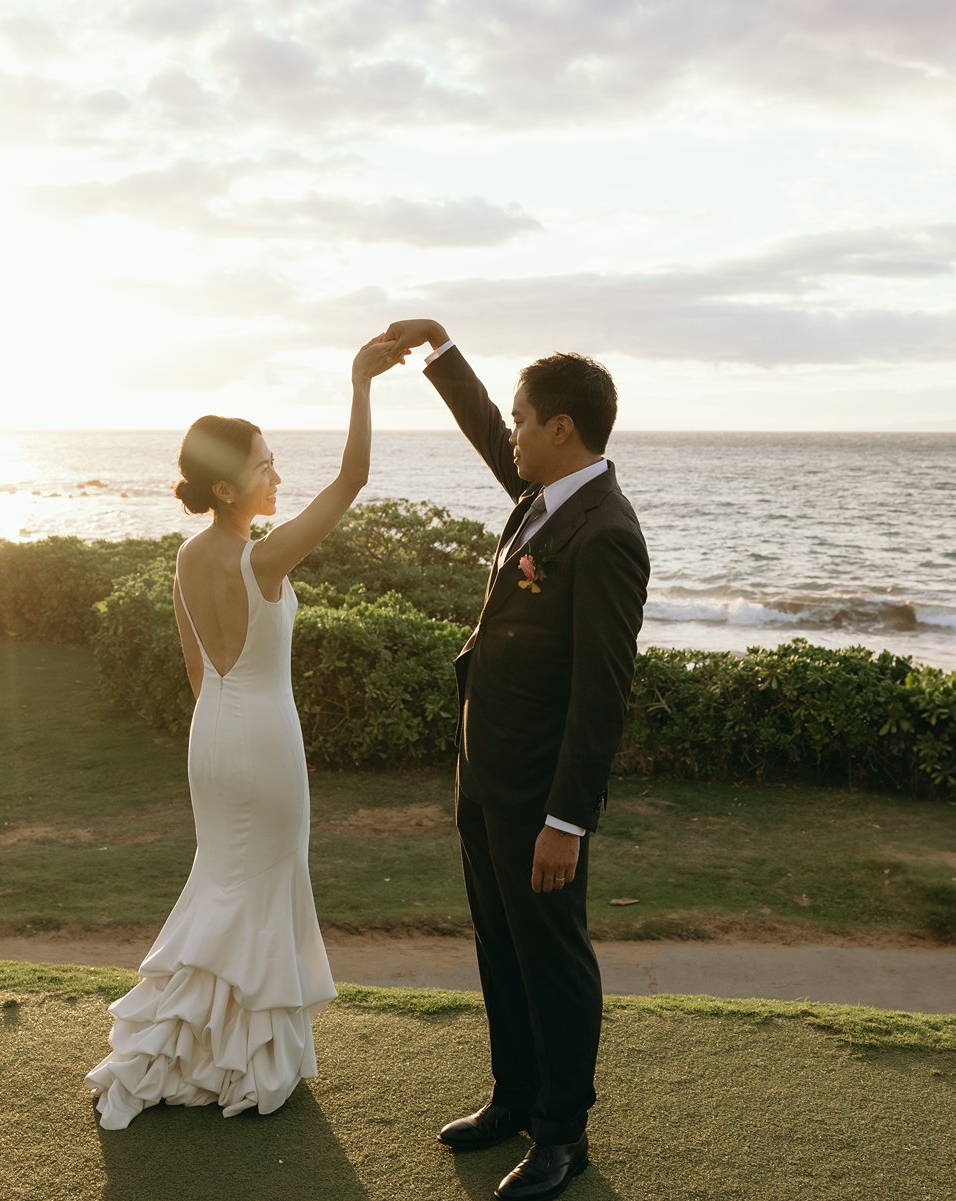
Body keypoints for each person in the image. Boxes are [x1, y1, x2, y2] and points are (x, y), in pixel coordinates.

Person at [85, 337, 404, 1128]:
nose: (278, 476)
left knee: (224, 883)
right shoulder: (262, 561)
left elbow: (198, 672)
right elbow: (354, 479)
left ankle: (189, 1045)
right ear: (227, 487)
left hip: (213, 736)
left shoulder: (188, 558)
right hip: (263, 736)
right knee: (260, 887)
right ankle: (244, 1059)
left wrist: (220, 732)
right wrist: (359, 381)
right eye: (266, 466)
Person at [383, 318, 649, 1201]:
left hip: (541, 796)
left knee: (552, 957)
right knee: (498, 942)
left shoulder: (606, 533)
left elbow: (600, 692)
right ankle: (514, 1097)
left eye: (525, 420)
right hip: (483, 774)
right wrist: (443, 354)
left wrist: (566, 819)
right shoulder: (541, 497)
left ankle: (562, 1135)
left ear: (562, 428)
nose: (514, 435)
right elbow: (491, 440)